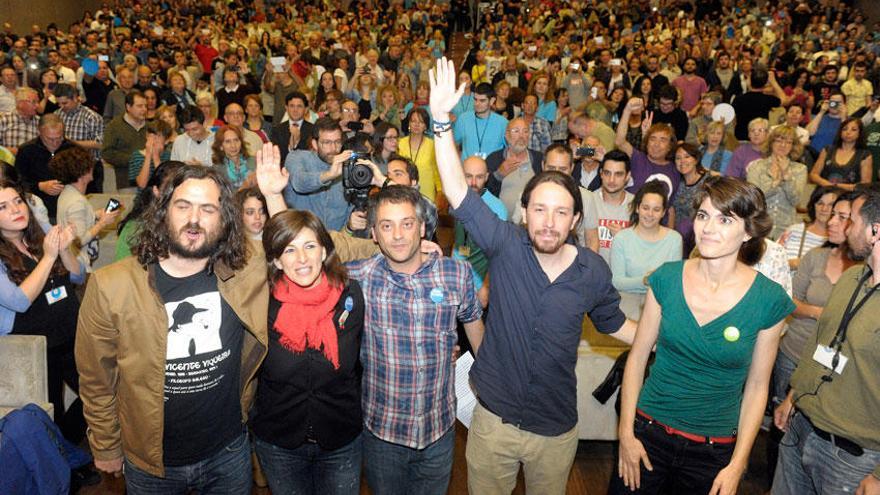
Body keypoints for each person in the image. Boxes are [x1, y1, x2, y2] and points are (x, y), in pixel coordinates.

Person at [76, 160, 378, 492]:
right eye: (183, 206)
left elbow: (311, 244)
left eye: (208, 208)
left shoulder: (244, 269)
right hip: (152, 463)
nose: (194, 219)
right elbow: (96, 378)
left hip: (228, 452)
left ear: (223, 219)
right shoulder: (111, 286)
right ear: (162, 210)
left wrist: (396, 250)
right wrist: (105, 444)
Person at [430, 56, 637, 495]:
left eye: (561, 212)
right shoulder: (505, 243)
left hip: (555, 430)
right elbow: (454, 190)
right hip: (493, 422)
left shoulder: (592, 271)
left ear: (576, 220)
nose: (548, 221)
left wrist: (675, 334)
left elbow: (618, 326)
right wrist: (440, 120)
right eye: (539, 209)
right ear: (524, 212)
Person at [613, 175, 794, 495]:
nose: (708, 228)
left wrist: (738, 464)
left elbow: (756, 387)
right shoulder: (666, 279)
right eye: (702, 215)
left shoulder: (769, 299)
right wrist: (626, 434)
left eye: (725, 219)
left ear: (748, 231)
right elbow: (638, 357)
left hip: (713, 451)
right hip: (647, 435)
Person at [350, 185, 483, 495]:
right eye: (387, 225)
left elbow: (478, 337)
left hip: (438, 428)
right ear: (374, 233)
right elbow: (305, 254)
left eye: (407, 223)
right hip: (383, 431)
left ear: (423, 228)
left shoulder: (456, 274)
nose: (398, 234)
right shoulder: (358, 278)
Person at [772, 187, 880, 495]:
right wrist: (794, 393)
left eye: (853, 221)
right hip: (801, 428)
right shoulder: (851, 278)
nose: (845, 228)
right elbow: (822, 342)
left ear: (875, 231)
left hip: (850, 459)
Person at [250, 209, 366, 495]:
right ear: (276, 259)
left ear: (324, 250)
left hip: (341, 438)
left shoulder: (352, 295)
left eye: (310, 246)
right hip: (280, 441)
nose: (301, 259)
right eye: (289, 250)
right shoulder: (259, 303)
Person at [0, 179, 86, 442]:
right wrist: (49, 257)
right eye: (3, 207)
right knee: (51, 412)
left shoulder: (37, 236)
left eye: (18, 201)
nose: (16, 209)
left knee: (100, 396)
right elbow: (18, 301)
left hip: (71, 336)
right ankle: (65, 468)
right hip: (36, 347)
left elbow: (78, 276)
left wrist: (64, 250)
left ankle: (69, 452)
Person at [610, 180, 683, 303]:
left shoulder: (674, 239)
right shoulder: (621, 238)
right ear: (637, 208)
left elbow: (672, 282)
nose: (650, 214)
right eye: (645, 208)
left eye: (656, 209)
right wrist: (645, 280)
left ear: (663, 212)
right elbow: (617, 281)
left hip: (660, 302)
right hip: (626, 301)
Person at [50, 146, 120, 271]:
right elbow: (79, 240)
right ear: (84, 172)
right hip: (79, 263)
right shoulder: (77, 201)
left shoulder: (67, 192)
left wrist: (96, 214)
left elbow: (76, 219)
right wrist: (102, 223)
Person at [282, 117, 353, 231]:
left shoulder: (346, 167)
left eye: (337, 142)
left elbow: (350, 209)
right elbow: (299, 183)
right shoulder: (297, 157)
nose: (334, 148)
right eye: (327, 142)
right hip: (299, 238)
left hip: (336, 241)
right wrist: (329, 174)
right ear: (315, 144)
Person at [616, 97, 680, 214]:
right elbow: (620, 141)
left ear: (670, 146)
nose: (656, 144)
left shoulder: (676, 169)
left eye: (662, 140)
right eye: (653, 139)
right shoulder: (638, 158)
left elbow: (670, 208)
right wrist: (627, 110)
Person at [115, 160, 185, 260]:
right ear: (156, 190)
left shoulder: (194, 225)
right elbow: (123, 268)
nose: (178, 196)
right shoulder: (135, 227)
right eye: (170, 190)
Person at [747, 125, 809, 239]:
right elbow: (754, 199)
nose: (783, 145)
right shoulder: (756, 166)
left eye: (788, 142)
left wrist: (787, 178)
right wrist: (774, 184)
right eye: (779, 140)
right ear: (771, 142)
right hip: (759, 227)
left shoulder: (800, 169)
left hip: (787, 229)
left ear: (793, 146)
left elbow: (796, 201)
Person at [583, 150, 635, 265]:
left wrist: (627, 238)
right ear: (600, 173)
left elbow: (644, 251)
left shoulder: (638, 206)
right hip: (592, 276)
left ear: (628, 176)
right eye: (607, 173)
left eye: (618, 174)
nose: (611, 180)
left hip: (624, 279)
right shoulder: (587, 201)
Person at [485, 118, 543, 217]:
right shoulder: (494, 159)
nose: (521, 136)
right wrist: (498, 175)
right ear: (507, 136)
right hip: (500, 221)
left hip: (531, 222)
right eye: (516, 131)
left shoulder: (539, 159)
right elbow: (485, 193)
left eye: (525, 131)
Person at [777, 186, 840, 270]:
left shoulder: (838, 240)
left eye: (830, 205)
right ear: (813, 206)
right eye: (820, 203)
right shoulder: (794, 231)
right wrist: (791, 264)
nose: (824, 209)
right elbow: (772, 262)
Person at [671, 143, 713, 257]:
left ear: (696, 160)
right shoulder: (676, 181)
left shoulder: (708, 181)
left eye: (687, 156)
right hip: (676, 236)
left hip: (700, 235)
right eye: (678, 158)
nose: (682, 161)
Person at [810, 117, 873, 191]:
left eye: (853, 129)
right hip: (823, 192)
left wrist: (839, 186)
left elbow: (865, 184)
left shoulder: (865, 155)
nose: (848, 132)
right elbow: (813, 175)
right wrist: (828, 185)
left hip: (849, 197)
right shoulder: (827, 150)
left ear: (859, 133)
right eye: (845, 129)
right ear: (840, 132)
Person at [102, 90, 148, 190]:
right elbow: (107, 153)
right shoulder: (114, 126)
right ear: (128, 107)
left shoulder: (150, 126)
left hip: (149, 181)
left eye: (145, 106)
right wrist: (134, 158)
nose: (144, 109)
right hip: (125, 182)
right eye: (139, 106)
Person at [452, 82, 508, 160]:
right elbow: (454, 144)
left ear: (492, 101)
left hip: (492, 170)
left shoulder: (503, 123)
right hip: (466, 170)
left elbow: (510, 150)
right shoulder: (463, 119)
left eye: (482, 101)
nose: (477, 104)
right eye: (475, 99)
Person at [399, 107, 441, 203]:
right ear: (409, 123)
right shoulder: (400, 143)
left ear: (425, 126)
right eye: (413, 121)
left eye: (421, 122)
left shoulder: (433, 145)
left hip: (427, 196)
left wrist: (440, 193)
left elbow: (437, 172)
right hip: (404, 194)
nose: (417, 124)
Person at [270, 91, 313, 166]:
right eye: (292, 106)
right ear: (286, 108)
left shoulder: (313, 129)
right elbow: (277, 156)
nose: (295, 110)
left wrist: (297, 141)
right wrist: (291, 145)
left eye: (299, 106)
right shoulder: (277, 130)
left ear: (306, 109)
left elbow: (311, 156)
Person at [131, 120, 175, 189]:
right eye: (151, 136)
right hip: (143, 198)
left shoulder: (169, 156)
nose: (154, 140)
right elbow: (142, 184)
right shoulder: (137, 155)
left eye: (158, 136)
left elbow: (165, 183)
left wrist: (156, 157)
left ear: (166, 141)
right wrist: (148, 155)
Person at [212, 125, 254, 189]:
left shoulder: (253, 162)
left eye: (236, 140)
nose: (233, 145)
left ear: (241, 142)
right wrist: (244, 186)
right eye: (228, 141)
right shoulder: (217, 170)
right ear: (221, 146)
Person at [0, 87, 39, 154]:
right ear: (20, 103)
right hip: (8, 161)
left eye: (38, 101)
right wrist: (9, 151)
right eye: (33, 102)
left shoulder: (40, 122)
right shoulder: (5, 120)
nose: (37, 105)